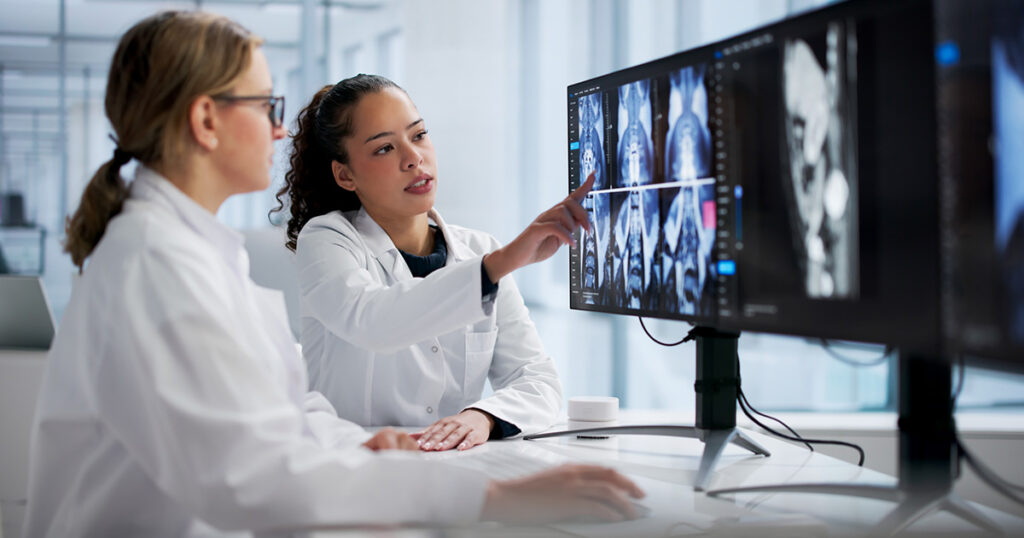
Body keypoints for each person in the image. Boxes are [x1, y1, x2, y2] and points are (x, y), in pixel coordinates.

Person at [23, 11, 642, 536]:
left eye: (418, 135)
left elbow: (286, 404)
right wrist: (492, 499)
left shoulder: (194, 253)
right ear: (206, 121)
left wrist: (356, 447)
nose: (278, 128)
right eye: (265, 105)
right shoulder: (157, 265)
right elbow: (248, 475)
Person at [279, 74, 595, 451]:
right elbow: (374, 322)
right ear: (345, 175)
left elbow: (537, 380)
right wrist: (500, 263)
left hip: (453, 467)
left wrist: (482, 416)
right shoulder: (327, 239)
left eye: (418, 135)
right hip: (352, 464)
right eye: (384, 148)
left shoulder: (479, 248)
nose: (414, 158)